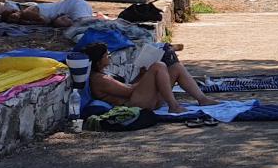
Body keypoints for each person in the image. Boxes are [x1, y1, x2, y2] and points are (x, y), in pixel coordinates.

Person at [83, 42, 218, 114]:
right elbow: (129, 91)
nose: (109, 57)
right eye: (106, 56)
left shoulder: (103, 75)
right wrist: (147, 77)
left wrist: (142, 76)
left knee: (176, 67)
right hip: (134, 105)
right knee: (158, 66)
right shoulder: (99, 79)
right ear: (98, 61)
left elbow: (129, 88)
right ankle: (173, 106)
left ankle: (202, 99)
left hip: (140, 98)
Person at [0, 0, 97, 27]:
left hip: (74, 5)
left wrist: (24, 22)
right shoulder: (26, 14)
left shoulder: (26, 13)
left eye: (12, 16)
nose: (14, 19)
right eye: (12, 21)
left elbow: (45, 21)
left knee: (85, 26)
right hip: (71, 8)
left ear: (15, 11)